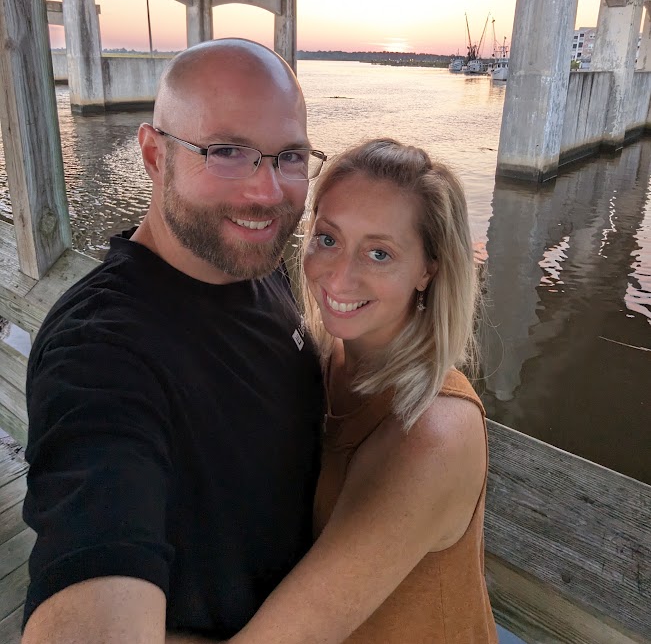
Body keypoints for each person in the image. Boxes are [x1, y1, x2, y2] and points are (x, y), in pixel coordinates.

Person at [21, 39, 326, 643]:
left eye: (289, 156)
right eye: (228, 152)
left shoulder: (260, 265)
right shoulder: (99, 352)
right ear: (155, 155)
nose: (267, 193)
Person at [172, 137, 497, 644]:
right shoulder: (319, 364)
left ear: (428, 269)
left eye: (379, 252)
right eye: (327, 239)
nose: (340, 277)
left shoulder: (433, 433)